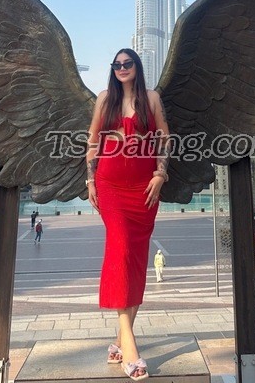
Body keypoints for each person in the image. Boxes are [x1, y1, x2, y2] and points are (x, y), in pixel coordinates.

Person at [87, 48, 170, 381]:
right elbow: (93, 142)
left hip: (144, 190)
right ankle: (131, 348)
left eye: (127, 63)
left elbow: (164, 138)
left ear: (136, 66)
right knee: (120, 251)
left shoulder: (151, 99)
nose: (122, 68)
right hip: (110, 187)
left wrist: (160, 174)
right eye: (117, 64)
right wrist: (90, 181)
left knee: (135, 260)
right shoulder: (104, 99)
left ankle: (119, 342)